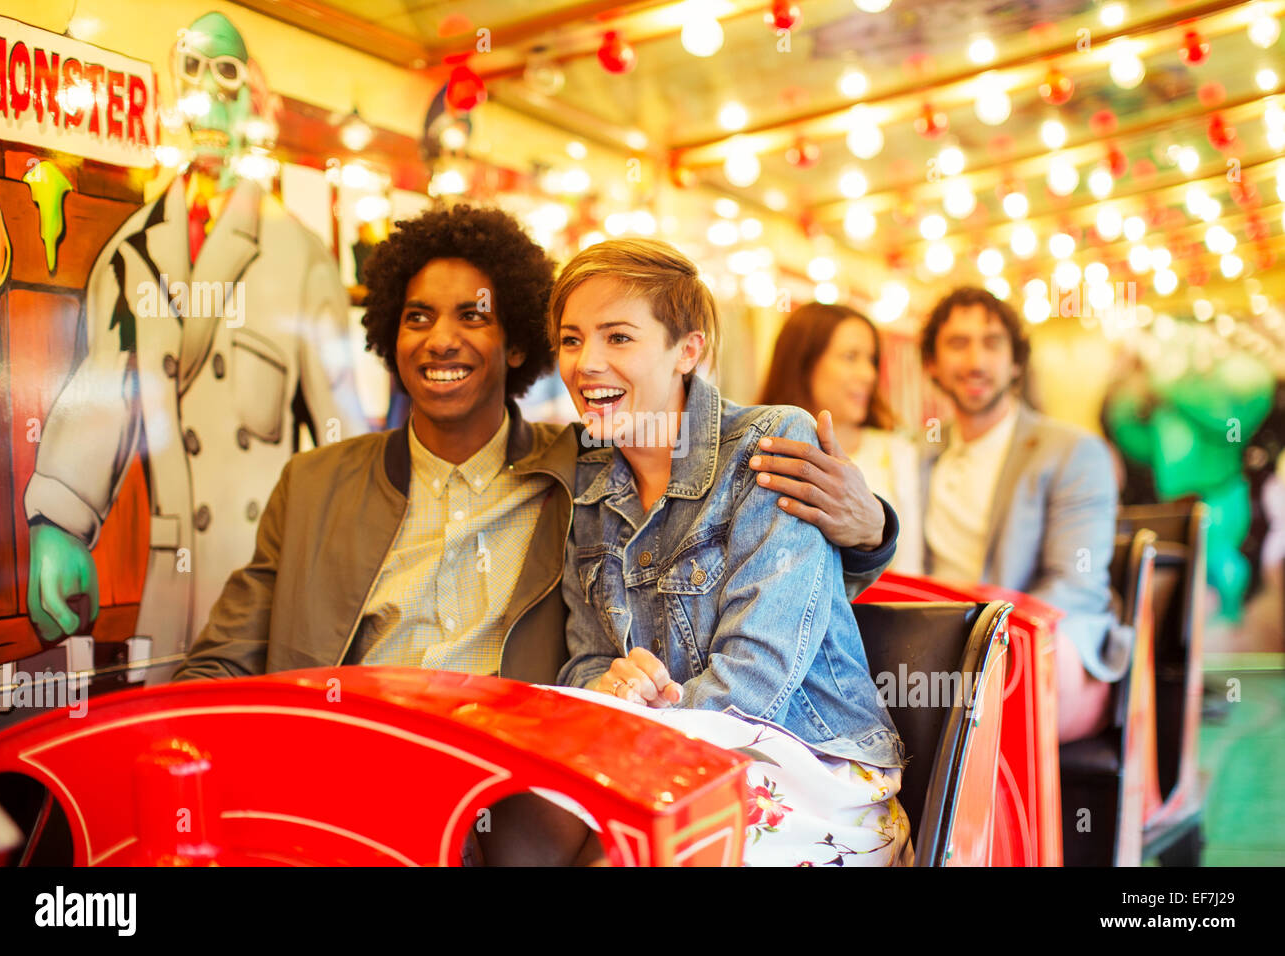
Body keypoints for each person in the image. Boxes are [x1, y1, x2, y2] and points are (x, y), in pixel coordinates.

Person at [174, 204, 891, 688]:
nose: (441, 339)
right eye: (416, 316)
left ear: (517, 342)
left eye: (472, 317)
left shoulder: (578, 467)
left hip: (508, 783)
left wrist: (870, 529)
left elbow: (760, 556)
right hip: (341, 759)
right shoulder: (313, 484)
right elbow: (223, 660)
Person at [24, 12, 367, 681]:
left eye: (229, 75)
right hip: (172, 593)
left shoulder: (298, 258)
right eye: (193, 72)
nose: (210, 94)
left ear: (253, 107)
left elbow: (341, 444)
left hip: (268, 590)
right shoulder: (130, 254)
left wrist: (348, 587)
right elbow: (104, 391)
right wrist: (56, 525)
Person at [551, 239, 910, 866]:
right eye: (572, 339)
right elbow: (584, 663)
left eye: (619, 338)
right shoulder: (584, 483)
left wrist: (640, 726)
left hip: (808, 766)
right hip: (665, 762)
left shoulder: (772, 441)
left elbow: (760, 675)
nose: (587, 364)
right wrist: (612, 685)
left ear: (688, 350)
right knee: (519, 818)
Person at [920, 286, 1123, 742]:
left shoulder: (1072, 451)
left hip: (1043, 640)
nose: (975, 361)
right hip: (935, 648)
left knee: (1025, 667)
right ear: (931, 364)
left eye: (992, 343)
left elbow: (1074, 586)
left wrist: (981, 638)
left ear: (1015, 363)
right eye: (958, 343)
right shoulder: (918, 454)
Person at [759, 302, 923, 573]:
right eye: (850, 357)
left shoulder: (897, 451)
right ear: (803, 362)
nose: (869, 374)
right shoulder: (762, 452)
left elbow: (910, 567)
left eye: (871, 360)